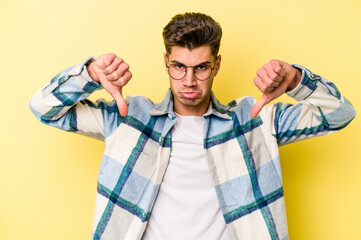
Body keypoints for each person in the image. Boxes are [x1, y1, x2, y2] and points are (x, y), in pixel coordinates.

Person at [29, 12, 355, 240]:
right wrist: (89, 75)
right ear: (166, 62)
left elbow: (340, 114)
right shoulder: (128, 118)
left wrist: (297, 80)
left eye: (201, 67)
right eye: (178, 67)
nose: (189, 81)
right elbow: (44, 108)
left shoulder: (254, 121)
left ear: (217, 65)